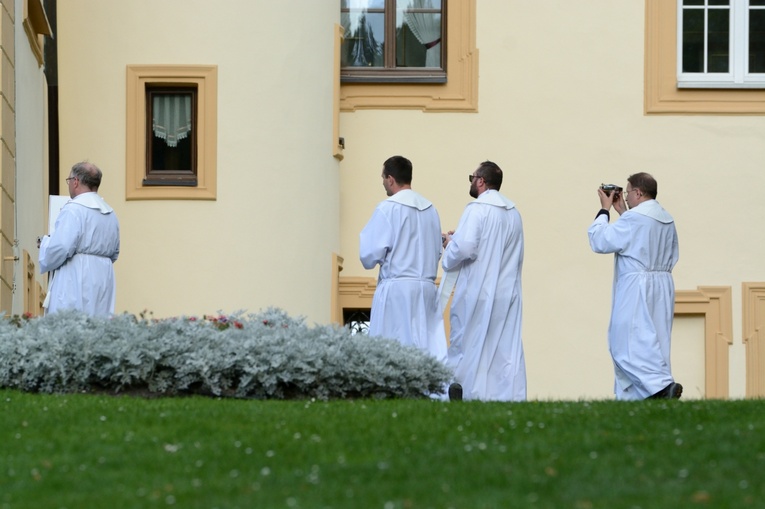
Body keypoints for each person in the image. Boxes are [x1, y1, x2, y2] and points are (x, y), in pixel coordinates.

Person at [588, 172, 681, 400]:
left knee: (625, 342)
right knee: (654, 340)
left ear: (638, 192)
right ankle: (648, 396)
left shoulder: (634, 219)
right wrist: (623, 212)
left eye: (628, 192)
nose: (626, 197)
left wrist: (604, 210)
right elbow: (638, 236)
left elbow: (599, 241)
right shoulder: (665, 218)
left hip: (637, 285)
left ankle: (660, 386)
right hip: (662, 286)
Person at [440, 161, 526, 401]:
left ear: (480, 181)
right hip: (507, 292)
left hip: (478, 290)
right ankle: (504, 397)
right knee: (502, 348)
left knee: (468, 343)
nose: (471, 181)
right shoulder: (513, 213)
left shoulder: (477, 208)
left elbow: (466, 247)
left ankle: (465, 392)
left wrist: (449, 245)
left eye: (472, 177)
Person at [359, 155, 447, 363]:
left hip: (397, 290)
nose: (383, 183)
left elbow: (368, 255)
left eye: (383, 178)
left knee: (395, 347)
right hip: (426, 289)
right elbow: (436, 251)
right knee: (426, 348)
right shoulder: (431, 210)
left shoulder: (388, 208)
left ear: (390, 179)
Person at [39, 161, 120, 316]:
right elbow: (115, 252)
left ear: (75, 182)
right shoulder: (111, 214)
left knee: (70, 323)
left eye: (69, 180)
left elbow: (61, 247)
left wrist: (45, 243)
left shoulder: (74, 209)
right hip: (103, 277)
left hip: (76, 275)